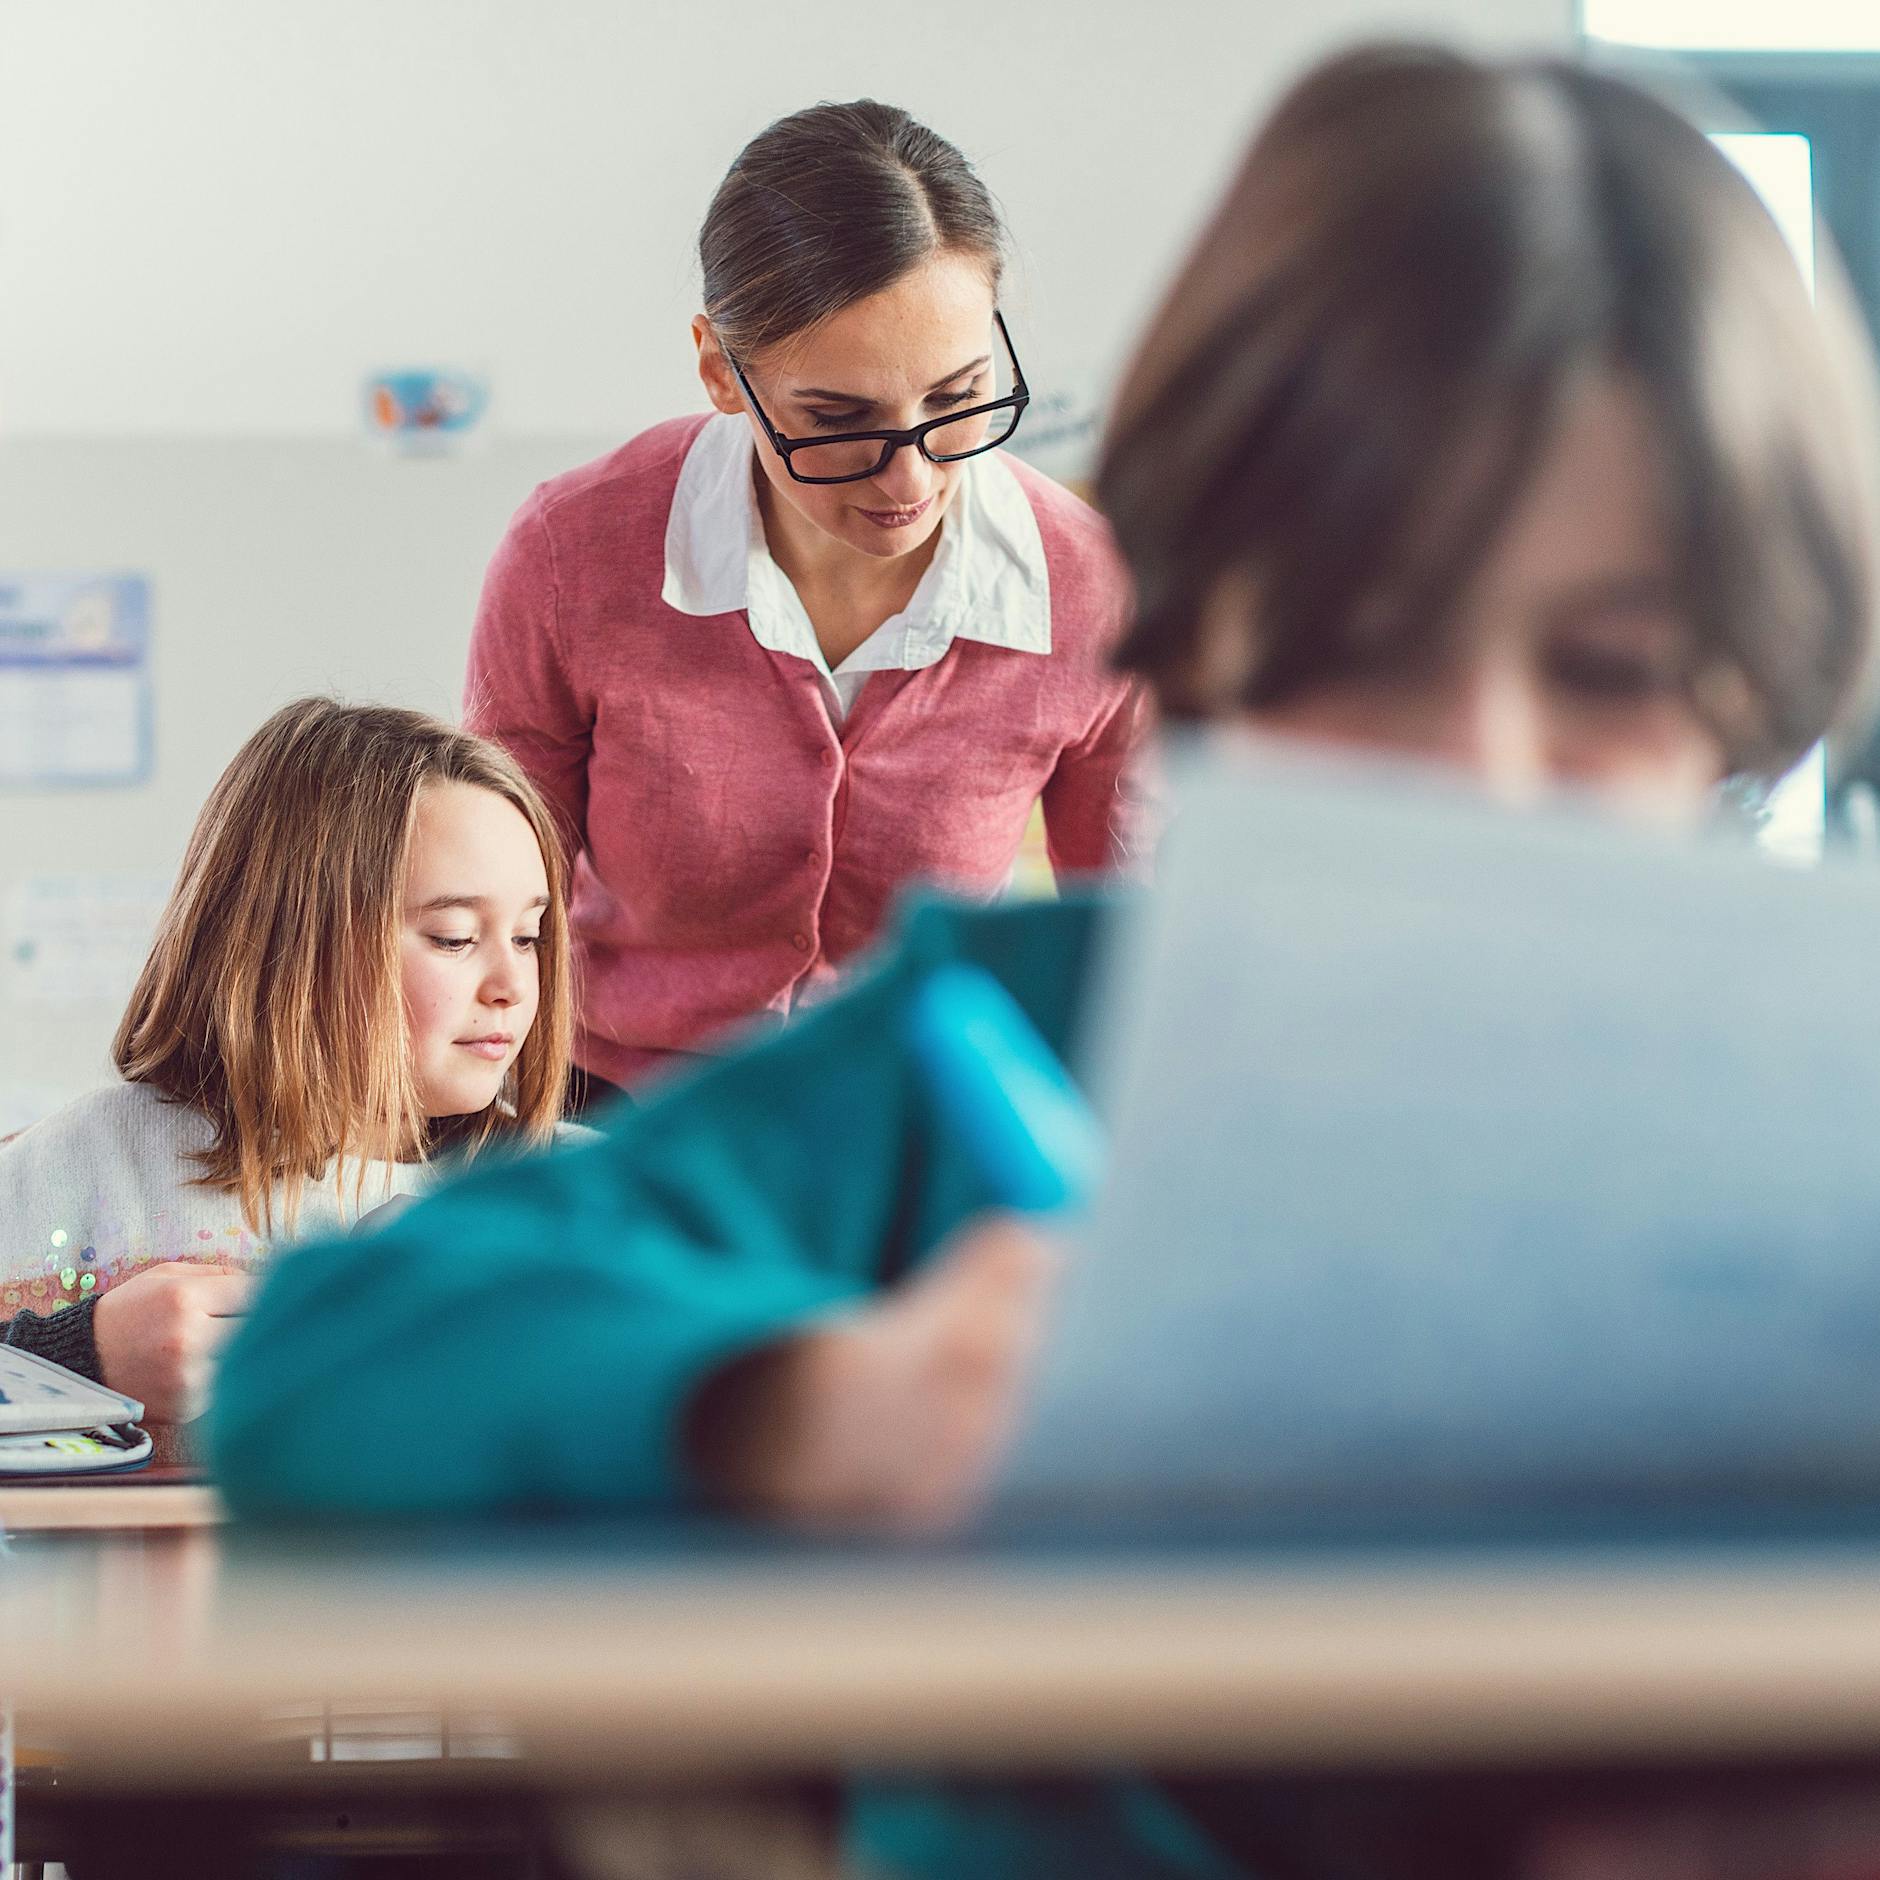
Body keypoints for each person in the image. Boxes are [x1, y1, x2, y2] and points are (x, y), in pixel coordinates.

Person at [211, 43, 1878, 1879]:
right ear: (1216, 632)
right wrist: (822, 1406)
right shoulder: (1015, 1041)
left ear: (1758, 681)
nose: (1476, 778)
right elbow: (319, 1379)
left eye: (1613, 675)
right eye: (1367, 657)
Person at [466, 99, 1145, 1103]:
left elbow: (1122, 943)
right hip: (611, 1111)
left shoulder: (1090, 590)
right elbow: (487, 910)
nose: (909, 474)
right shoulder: (572, 554)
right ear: (718, 370)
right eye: (837, 419)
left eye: (957, 399)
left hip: (915, 1118)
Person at [0, 698, 577, 1426]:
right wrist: (78, 1356)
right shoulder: (92, 1162)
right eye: (455, 938)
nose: (513, 987)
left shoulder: (579, 1193)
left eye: (529, 937)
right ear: (294, 944)